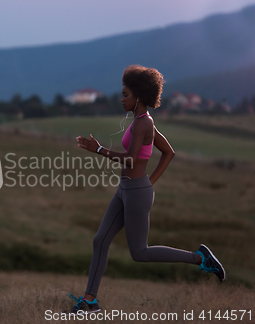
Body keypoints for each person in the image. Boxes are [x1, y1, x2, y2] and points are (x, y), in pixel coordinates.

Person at [64, 65, 225, 315]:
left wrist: (99, 150)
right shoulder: (141, 122)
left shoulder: (143, 124)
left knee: (140, 252)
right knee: (100, 241)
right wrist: (150, 181)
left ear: (139, 95)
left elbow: (130, 159)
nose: (122, 99)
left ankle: (199, 258)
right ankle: (90, 302)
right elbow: (168, 152)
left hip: (136, 192)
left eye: (126, 94)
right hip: (127, 189)